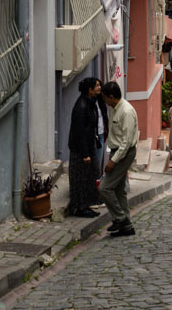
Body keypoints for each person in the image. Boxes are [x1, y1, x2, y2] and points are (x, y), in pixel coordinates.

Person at [99, 81, 139, 237]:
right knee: (119, 190)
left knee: (104, 187)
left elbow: (126, 142)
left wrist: (112, 161)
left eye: (105, 98)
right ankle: (127, 226)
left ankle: (120, 218)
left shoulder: (126, 111)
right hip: (117, 151)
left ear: (111, 97)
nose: (104, 101)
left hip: (123, 153)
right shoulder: (114, 108)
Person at [67, 77, 102, 217]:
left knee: (89, 177)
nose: (100, 88)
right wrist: (85, 153)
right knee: (80, 178)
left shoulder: (91, 103)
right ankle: (80, 207)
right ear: (90, 89)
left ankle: (86, 205)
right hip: (81, 149)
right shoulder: (81, 106)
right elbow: (79, 131)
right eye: (97, 86)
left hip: (88, 146)